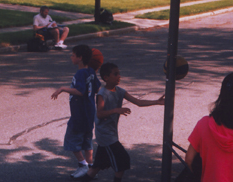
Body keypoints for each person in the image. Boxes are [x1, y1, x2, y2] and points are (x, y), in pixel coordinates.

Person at [82, 62, 165, 182]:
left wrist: (156, 102)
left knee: (97, 166)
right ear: (106, 77)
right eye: (115, 74)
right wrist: (115, 110)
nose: (119, 76)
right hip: (105, 135)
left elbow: (138, 102)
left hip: (111, 132)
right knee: (122, 160)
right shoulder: (102, 94)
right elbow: (99, 114)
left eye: (119, 74)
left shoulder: (120, 91)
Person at [51, 45, 101, 179]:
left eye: (73, 55)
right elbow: (97, 88)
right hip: (89, 112)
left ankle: (82, 164)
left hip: (79, 113)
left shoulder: (80, 73)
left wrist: (63, 88)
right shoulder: (91, 71)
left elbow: (80, 91)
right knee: (87, 140)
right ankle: (90, 167)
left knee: (71, 140)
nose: (71, 57)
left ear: (80, 58)